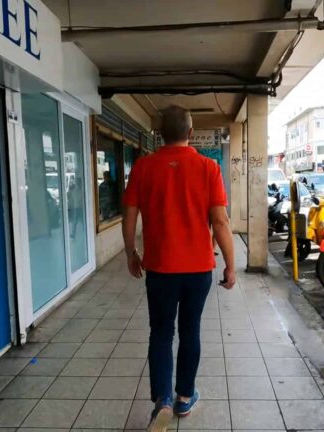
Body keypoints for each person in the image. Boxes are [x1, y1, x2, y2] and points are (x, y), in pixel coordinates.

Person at [122, 105, 236, 432]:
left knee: (160, 333)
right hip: (198, 269)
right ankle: (185, 396)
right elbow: (220, 220)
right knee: (190, 331)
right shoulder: (208, 168)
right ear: (190, 132)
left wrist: (131, 252)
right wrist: (230, 264)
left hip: (159, 270)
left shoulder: (143, 167)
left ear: (159, 133)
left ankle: (163, 401)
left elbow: (129, 216)